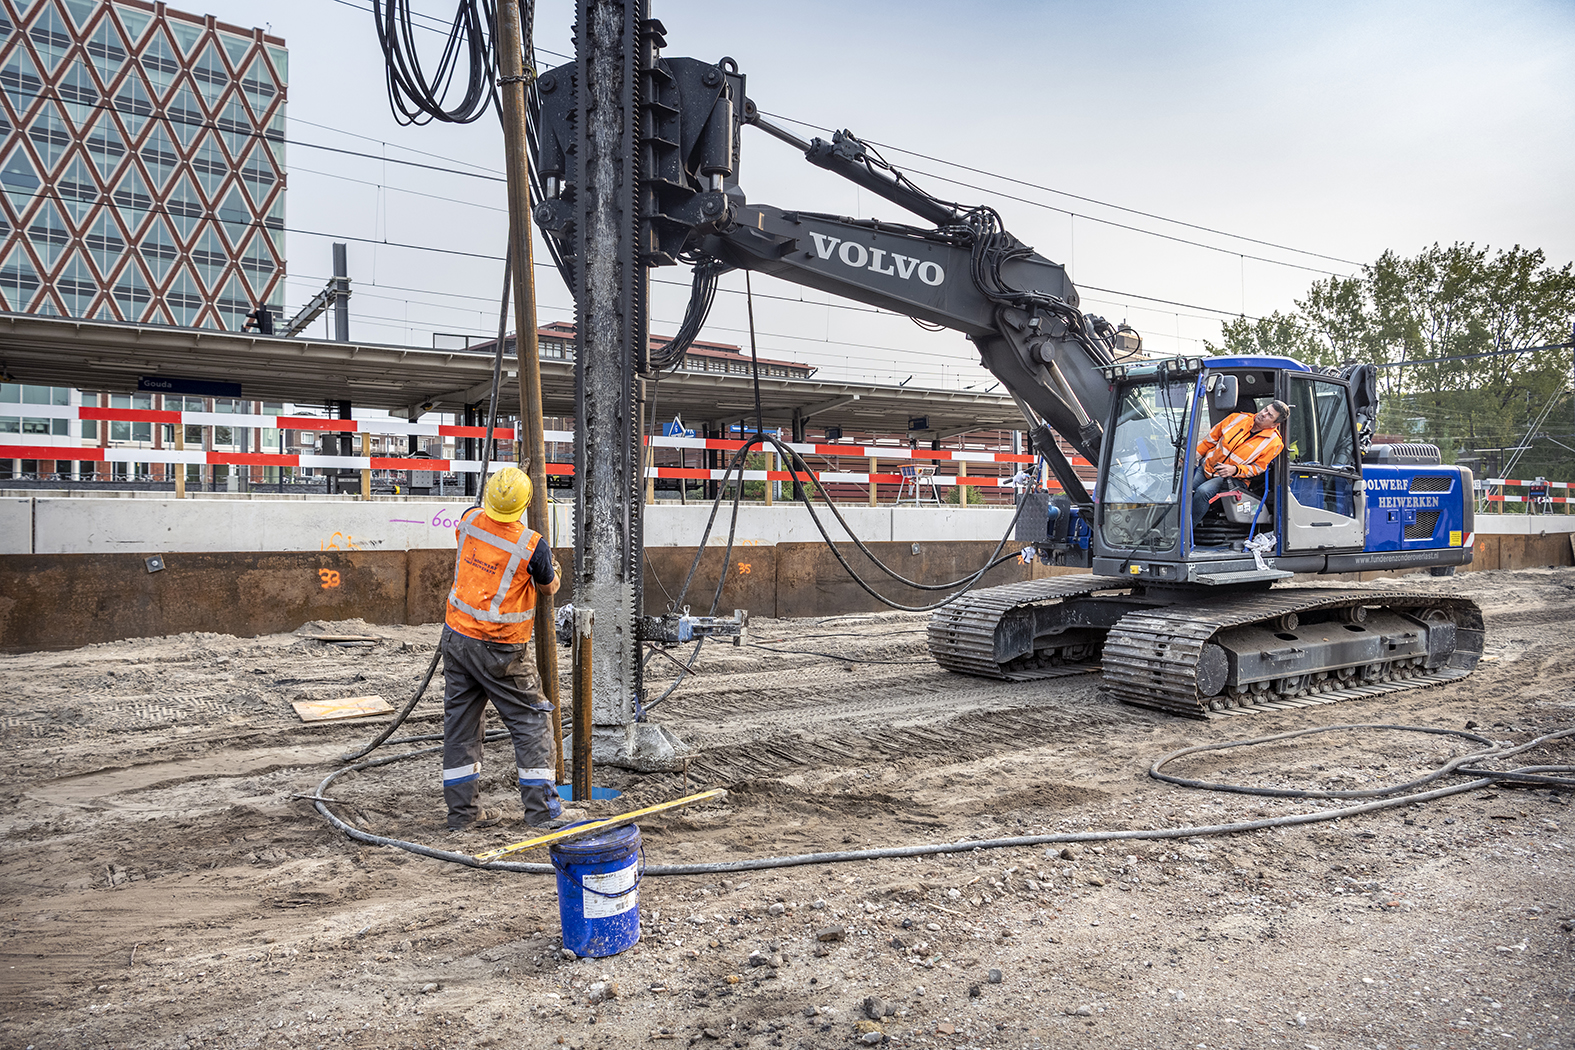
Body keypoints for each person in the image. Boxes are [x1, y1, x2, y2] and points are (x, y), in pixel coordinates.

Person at [441, 466, 580, 833]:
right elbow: (548, 588)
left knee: (461, 727)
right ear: (529, 503)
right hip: (500, 649)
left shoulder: (469, 520)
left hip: (456, 638)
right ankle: (541, 813)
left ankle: (462, 815)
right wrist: (555, 570)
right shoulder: (531, 545)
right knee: (533, 722)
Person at [1190, 400, 1289, 541]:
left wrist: (1234, 470)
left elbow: (1258, 468)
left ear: (1274, 424)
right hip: (1207, 468)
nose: (1263, 414)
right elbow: (1211, 439)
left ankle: (1185, 534)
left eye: (1269, 415)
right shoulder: (1237, 418)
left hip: (1231, 479)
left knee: (1203, 492)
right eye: (1265, 409)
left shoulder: (1274, 443)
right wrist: (1195, 455)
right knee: (1183, 490)